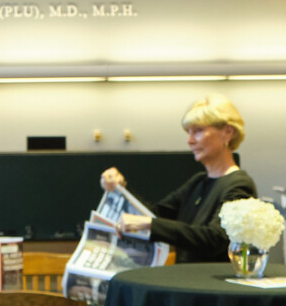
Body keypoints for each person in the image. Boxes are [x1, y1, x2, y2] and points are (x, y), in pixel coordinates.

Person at [99, 94, 256, 263]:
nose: (190, 140)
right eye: (189, 132)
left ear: (227, 133)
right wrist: (120, 188)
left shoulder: (239, 186)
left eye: (198, 131)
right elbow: (155, 215)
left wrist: (150, 225)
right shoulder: (197, 182)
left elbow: (215, 239)